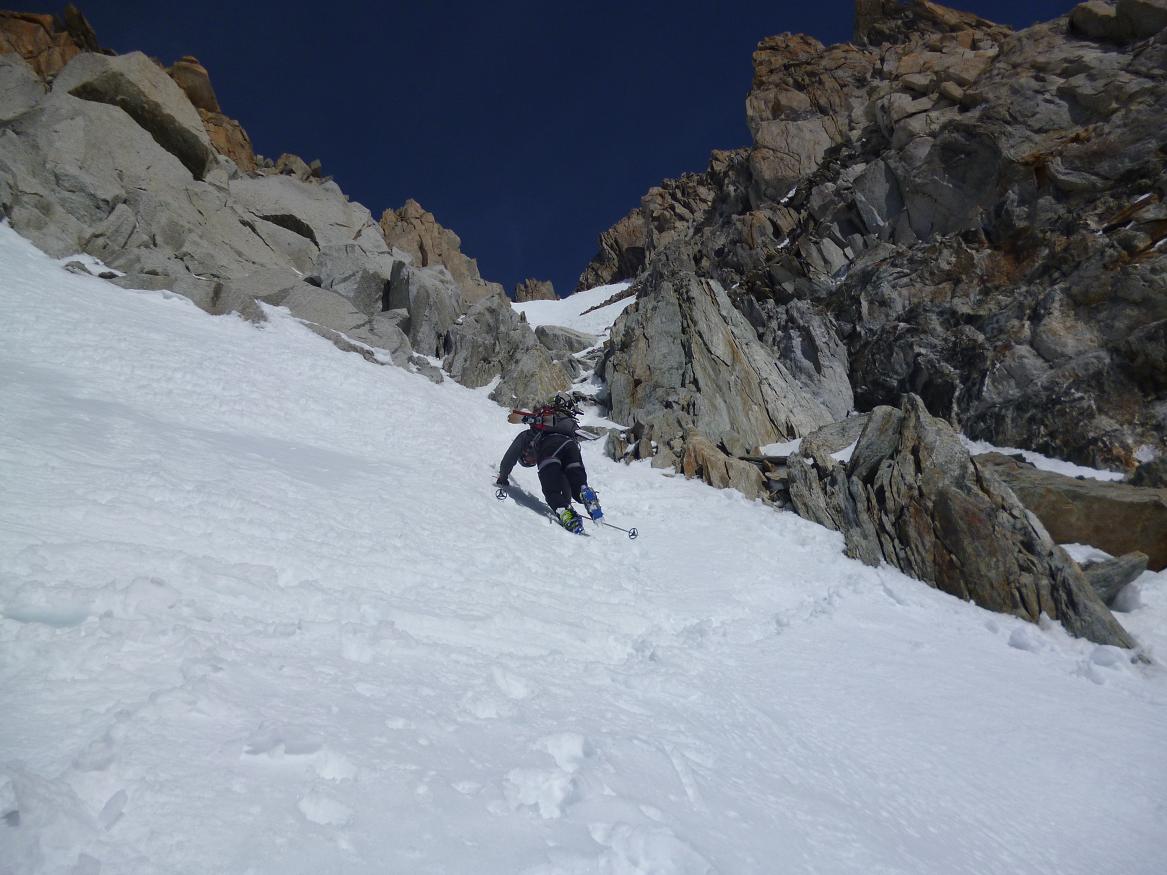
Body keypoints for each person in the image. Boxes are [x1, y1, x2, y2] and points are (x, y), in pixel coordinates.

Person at [496, 392, 603, 534]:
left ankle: (566, 515)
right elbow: (564, 480)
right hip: (571, 446)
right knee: (576, 481)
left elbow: (509, 458)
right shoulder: (568, 425)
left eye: (528, 460)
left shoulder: (530, 435)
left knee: (550, 491)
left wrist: (502, 478)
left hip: (550, 447)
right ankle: (584, 492)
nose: (531, 461)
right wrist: (567, 501)